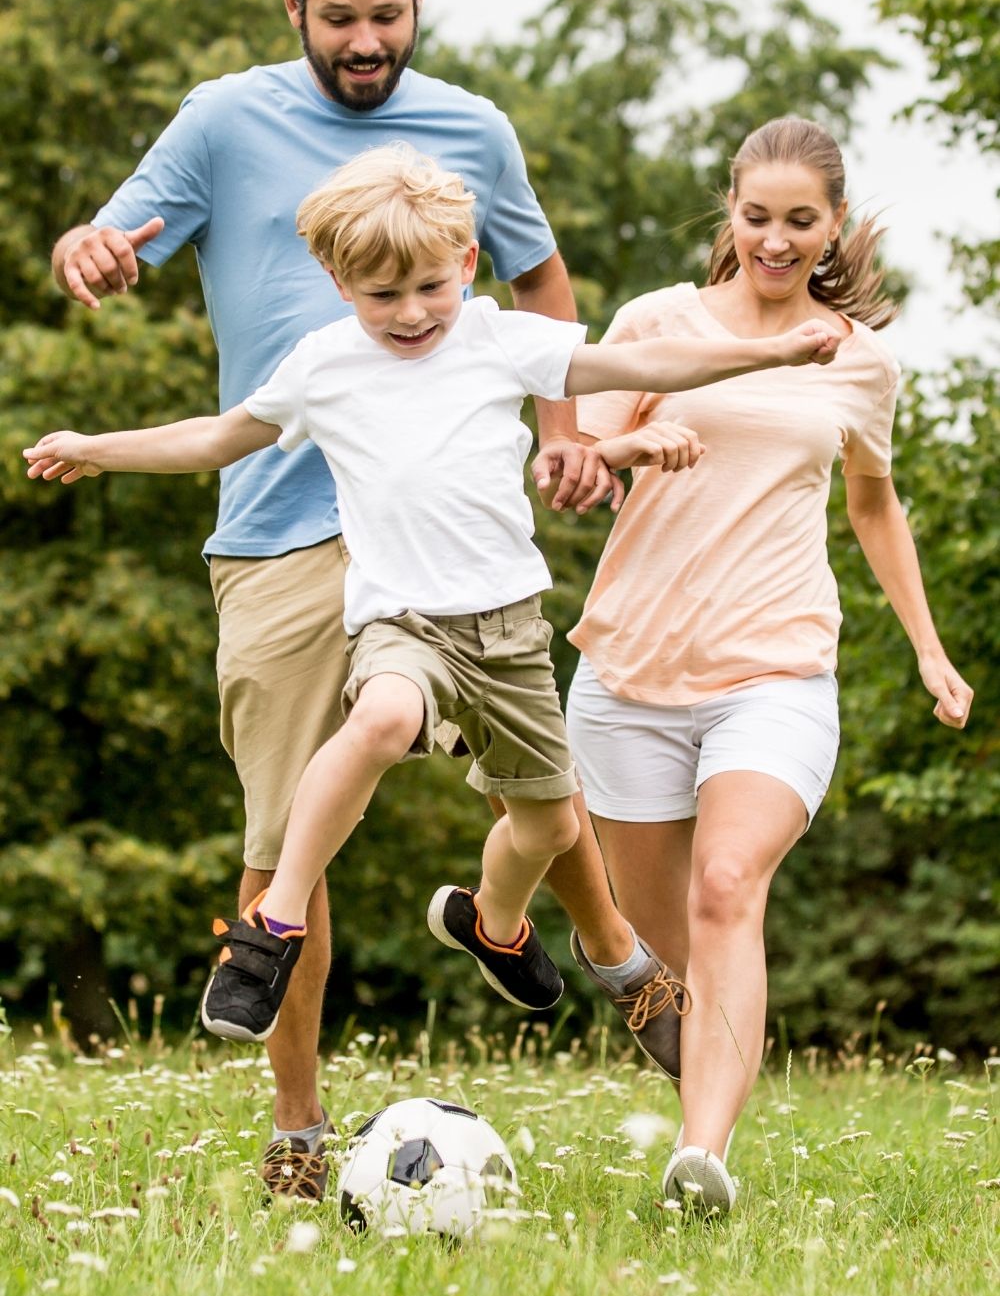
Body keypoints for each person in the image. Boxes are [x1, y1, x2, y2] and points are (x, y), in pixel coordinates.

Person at [48, 0, 679, 1199]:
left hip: (444, 515)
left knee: (536, 782)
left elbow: (539, 286)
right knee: (288, 833)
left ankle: (613, 958)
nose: (364, 41)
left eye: (386, 16)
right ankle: (298, 1124)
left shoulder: (472, 131)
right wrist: (91, 250)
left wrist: (566, 431)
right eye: (339, 20)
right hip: (279, 528)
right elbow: (113, 234)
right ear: (295, 8)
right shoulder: (224, 119)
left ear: (415, 3)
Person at [29, 144, 843, 1060]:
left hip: (509, 634)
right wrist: (102, 446)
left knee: (548, 824)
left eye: (428, 287)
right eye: (383, 297)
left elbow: (644, 366)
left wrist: (770, 349)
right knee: (379, 718)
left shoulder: (498, 338)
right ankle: (274, 923)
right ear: (337, 281)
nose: (411, 314)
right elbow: (219, 438)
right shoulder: (323, 365)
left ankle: (492, 920)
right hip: (402, 624)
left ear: (464, 265)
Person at [563, 116, 974, 1216]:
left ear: (832, 223)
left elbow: (874, 506)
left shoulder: (859, 360)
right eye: (757, 219)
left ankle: (701, 1159)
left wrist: (928, 649)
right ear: (728, 214)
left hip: (776, 667)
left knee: (727, 885)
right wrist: (620, 448)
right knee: (665, 961)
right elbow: (571, 456)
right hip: (631, 671)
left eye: (801, 222)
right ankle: (645, 1002)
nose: (776, 241)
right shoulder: (657, 322)